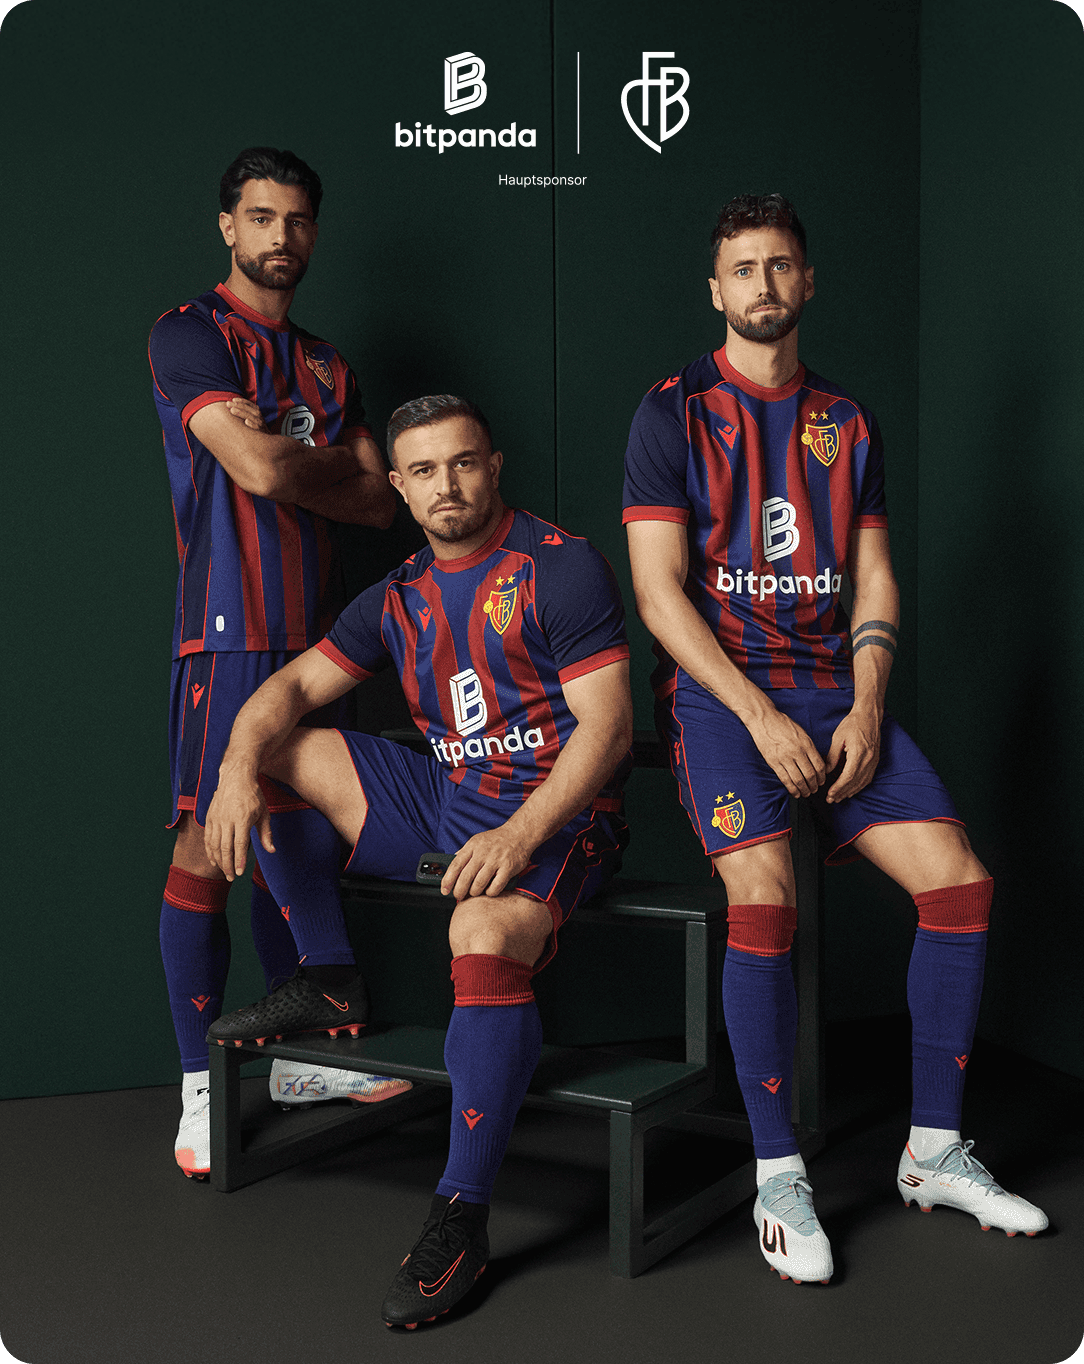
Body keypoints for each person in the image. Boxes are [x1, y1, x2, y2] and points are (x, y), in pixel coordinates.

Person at [622, 194, 1047, 1285]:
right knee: (764, 898)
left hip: (833, 691)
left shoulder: (846, 422)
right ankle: (777, 1171)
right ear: (714, 291)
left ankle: (931, 1148)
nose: (763, 283)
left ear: (807, 284)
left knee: (958, 883)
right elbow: (661, 596)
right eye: (742, 268)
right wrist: (757, 713)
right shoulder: (671, 412)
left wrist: (865, 701)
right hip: (725, 700)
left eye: (780, 266)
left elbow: (872, 575)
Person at [202, 394, 633, 1327]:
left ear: (495, 464)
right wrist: (236, 769)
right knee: (271, 742)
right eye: (426, 471)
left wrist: (519, 837)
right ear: (397, 486)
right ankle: (330, 978)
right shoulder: (395, 595)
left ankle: (461, 1212)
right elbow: (285, 688)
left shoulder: (560, 569)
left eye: (464, 462)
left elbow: (608, 731)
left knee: (479, 929)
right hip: (446, 803)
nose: (448, 485)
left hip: (558, 817)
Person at [148, 146, 409, 1181]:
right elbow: (258, 464)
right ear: (228, 226)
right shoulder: (188, 333)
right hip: (226, 627)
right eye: (261, 217)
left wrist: (298, 464)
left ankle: (297, 1060)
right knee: (207, 846)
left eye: (297, 220)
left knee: (292, 830)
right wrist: (315, 465)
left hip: (315, 632)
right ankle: (199, 1088)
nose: (280, 238)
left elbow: (379, 500)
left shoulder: (329, 365)